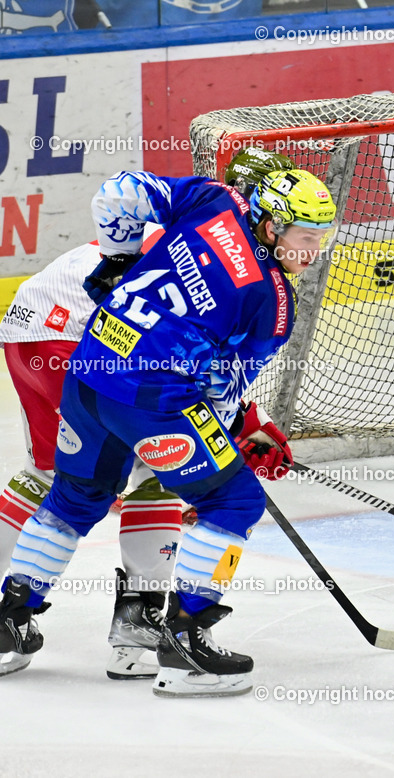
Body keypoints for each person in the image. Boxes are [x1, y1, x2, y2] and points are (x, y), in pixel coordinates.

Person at [0, 159, 337, 696]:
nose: (314, 251)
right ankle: (185, 644)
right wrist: (231, 438)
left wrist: (118, 259)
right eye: (306, 236)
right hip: (151, 398)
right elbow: (221, 386)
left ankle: (8, 620)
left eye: (323, 237)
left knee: (73, 499)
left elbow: (118, 192)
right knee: (234, 502)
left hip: (90, 371)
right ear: (271, 226)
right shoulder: (271, 301)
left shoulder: (213, 201)